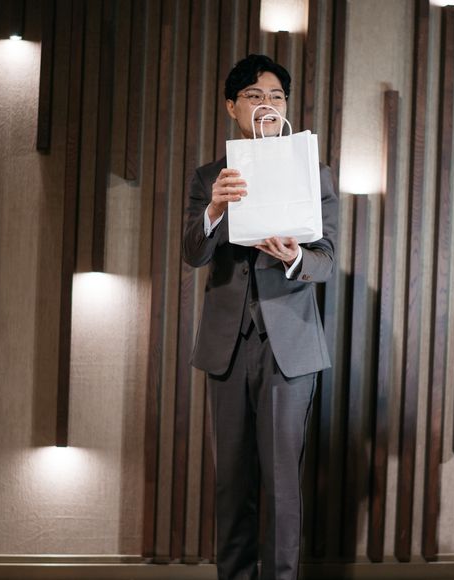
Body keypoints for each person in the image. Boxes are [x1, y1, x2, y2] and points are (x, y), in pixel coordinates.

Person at [182, 54, 338, 580]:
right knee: (232, 482)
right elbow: (193, 254)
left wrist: (295, 258)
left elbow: (326, 260)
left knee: (283, 484)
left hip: (289, 346)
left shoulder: (312, 172)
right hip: (226, 346)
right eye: (253, 95)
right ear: (232, 107)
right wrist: (214, 210)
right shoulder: (210, 177)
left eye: (276, 96)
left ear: (285, 107)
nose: (266, 104)